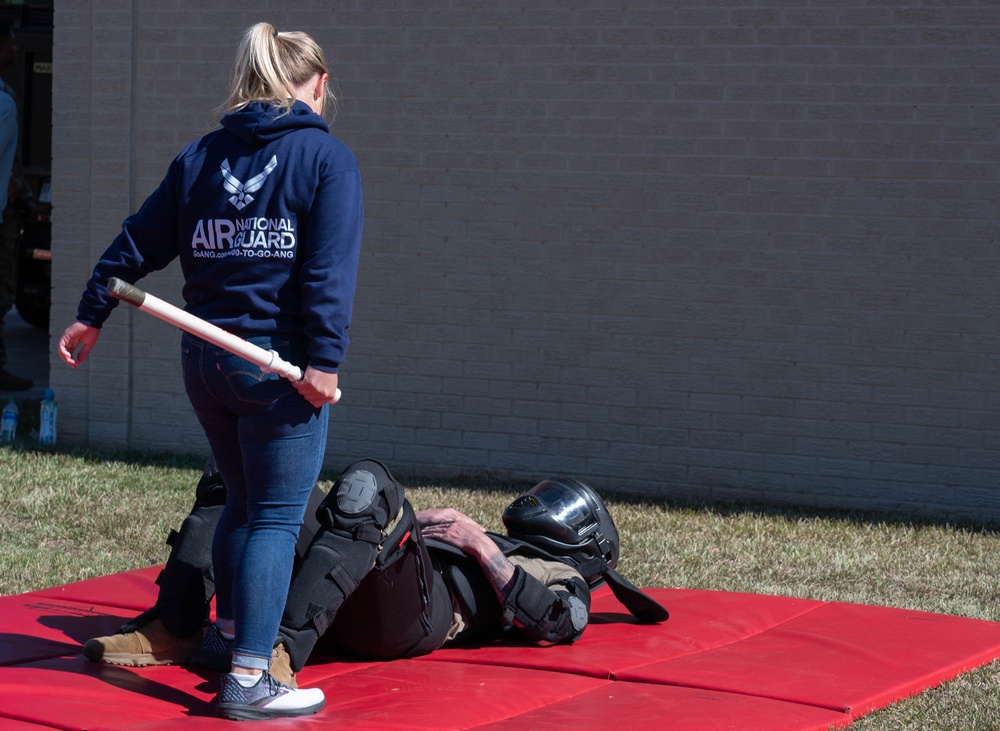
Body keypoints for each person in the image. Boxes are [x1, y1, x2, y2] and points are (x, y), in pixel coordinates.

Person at [58, 22, 363, 721]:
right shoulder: (327, 160)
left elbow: (136, 241)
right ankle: (251, 677)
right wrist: (324, 362)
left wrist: (88, 315)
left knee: (244, 505)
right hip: (274, 370)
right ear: (317, 84)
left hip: (208, 366)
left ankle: (230, 641)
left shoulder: (201, 157)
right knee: (277, 518)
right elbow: (327, 275)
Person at [84, 459, 669, 698]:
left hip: (415, 622)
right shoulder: (500, 536)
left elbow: (559, 622)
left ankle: (279, 653)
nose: (542, 503)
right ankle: (176, 626)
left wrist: (475, 542)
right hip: (349, 598)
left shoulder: (565, 574)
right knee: (244, 465)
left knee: (370, 483)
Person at [0, 22, 35, 392]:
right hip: (3, 210)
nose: (14, 49)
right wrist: (14, 187)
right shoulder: (4, 101)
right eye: (10, 43)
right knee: (3, 292)